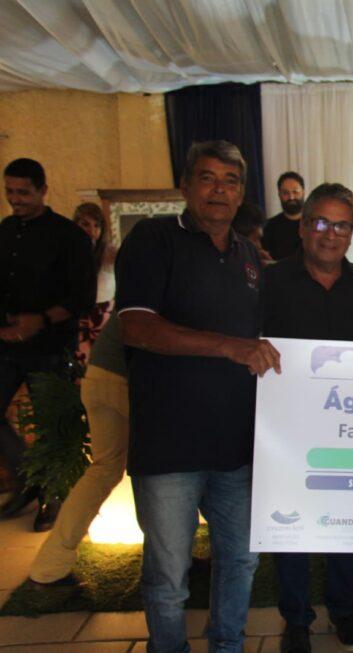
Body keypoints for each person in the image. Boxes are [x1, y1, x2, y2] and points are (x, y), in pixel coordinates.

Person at [115, 140, 281, 652]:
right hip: (169, 449)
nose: (219, 190)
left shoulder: (248, 256)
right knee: (168, 577)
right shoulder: (154, 238)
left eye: (230, 181)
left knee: (241, 560)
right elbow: (136, 326)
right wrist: (227, 345)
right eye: (207, 178)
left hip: (235, 448)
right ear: (186, 186)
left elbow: (260, 337)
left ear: (241, 193)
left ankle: (226, 646)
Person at [262, 182, 353, 653]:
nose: (331, 234)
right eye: (322, 222)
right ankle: (297, 620)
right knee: (289, 529)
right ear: (303, 227)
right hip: (285, 428)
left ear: (352, 232)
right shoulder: (269, 282)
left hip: (346, 429)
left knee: (344, 525)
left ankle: (343, 610)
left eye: (342, 225)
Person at [0, 158, 95, 532]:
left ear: (43, 190)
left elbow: (83, 297)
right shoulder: (6, 230)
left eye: (23, 192)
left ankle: (52, 499)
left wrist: (40, 319)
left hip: (50, 346)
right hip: (7, 346)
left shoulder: (69, 236)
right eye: (9, 191)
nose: (15, 199)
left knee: (51, 426)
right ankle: (28, 477)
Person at [29, 313, 127, 585]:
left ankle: (48, 567)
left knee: (104, 470)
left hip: (99, 376)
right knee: (166, 470)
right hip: (130, 380)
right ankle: (172, 556)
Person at [72, 202, 116, 366]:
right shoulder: (68, 253)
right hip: (78, 313)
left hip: (104, 313)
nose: (91, 231)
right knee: (80, 362)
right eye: (85, 224)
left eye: (97, 225)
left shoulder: (110, 252)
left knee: (103, 363)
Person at [262, 171, 305, 260]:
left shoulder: (314, 223)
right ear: (279, 195)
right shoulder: (269, 227)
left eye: (295, 192)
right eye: (285, 193)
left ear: (303, 192)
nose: (291, 197)